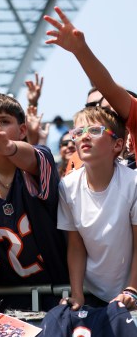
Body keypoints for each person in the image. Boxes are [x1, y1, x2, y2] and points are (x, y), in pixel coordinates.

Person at [0, 93, 68, 321]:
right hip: (11, 299)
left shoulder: (39, 160)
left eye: (4, 121)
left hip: (60, 293)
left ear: (23, 130)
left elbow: (32, 158)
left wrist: (9, 148)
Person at [57, 106, 137, 310]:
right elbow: (76, 246)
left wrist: (132, 290)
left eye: (94, 131)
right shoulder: (67, 186)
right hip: (92, 293)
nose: (84, 137)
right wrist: (77, 295)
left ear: (117, 145)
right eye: (78, 132)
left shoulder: (133, 183)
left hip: (131, 293)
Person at [44, 7, 137, 172]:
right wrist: (79, 50)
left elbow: (109, 87)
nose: (112, 113)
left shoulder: (131, 182)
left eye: (116, 109)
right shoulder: (76, 166)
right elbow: (107, 86)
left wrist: (81, 50)